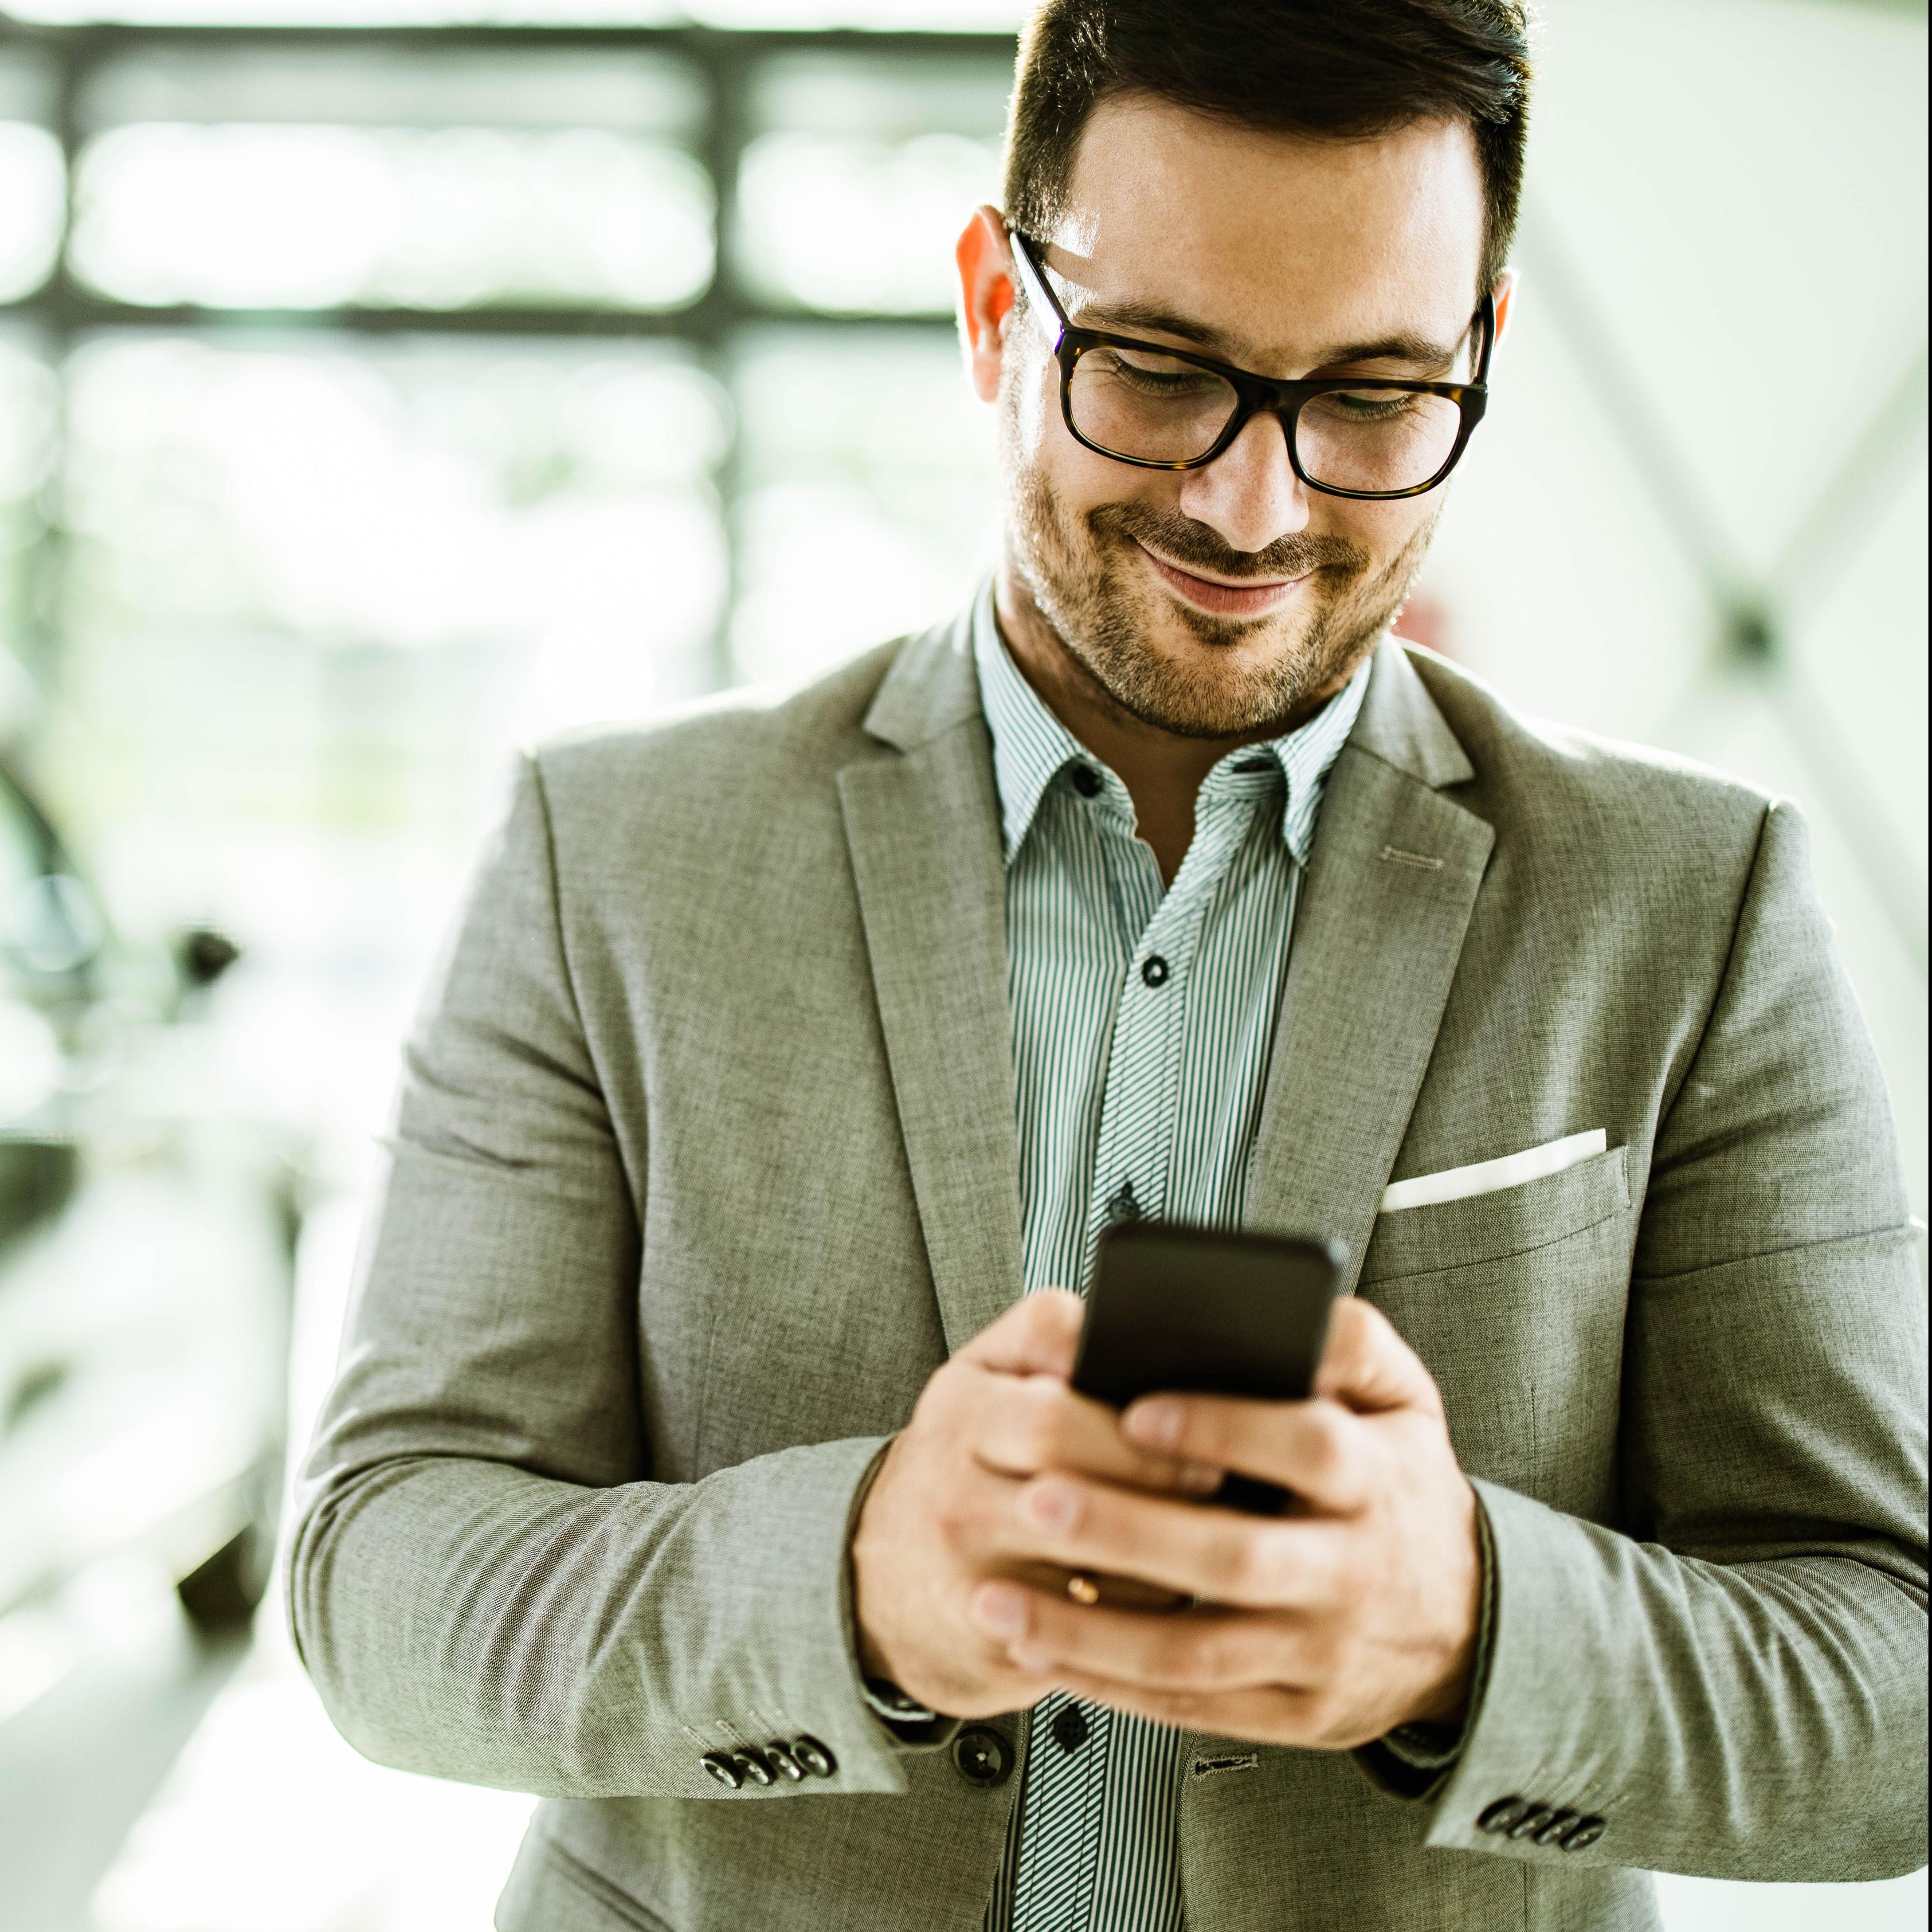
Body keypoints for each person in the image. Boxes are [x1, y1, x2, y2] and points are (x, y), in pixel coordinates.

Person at [287, 3, 1929, 1927]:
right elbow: (381, 1576)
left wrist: (1470, 1627)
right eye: (1157, 372)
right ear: (997, 306)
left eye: (1376, 399)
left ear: (1479, 358)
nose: (1257, 507)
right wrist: (852, 1583)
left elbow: (1886, 1680)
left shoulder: (1694, 902)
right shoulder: (612, 855)